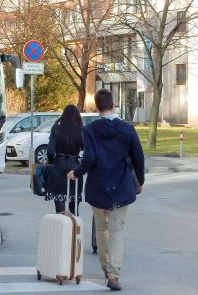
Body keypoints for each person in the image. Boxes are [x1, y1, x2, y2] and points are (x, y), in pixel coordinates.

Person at [67, 89, 145, 291]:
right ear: (114, 104)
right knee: (117, 230)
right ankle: (114, 274)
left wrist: (76, 173)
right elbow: (138, 158)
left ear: (96, 107)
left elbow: (89, 159)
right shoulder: (127, 129)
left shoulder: (90, 130)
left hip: (98, 186)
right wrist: (141, 181)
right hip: (121, 186)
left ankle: (105, 268)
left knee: (101, 229)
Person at [44, 104, 83, 215]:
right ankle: (74, 230)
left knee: (60, 205)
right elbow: (86, 149)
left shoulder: (56, 129)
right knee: (74, 208)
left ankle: (62, 229)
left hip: (59, 167)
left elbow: (50, 152)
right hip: (75, 168)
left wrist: (52, 162)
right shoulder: (80, 130)